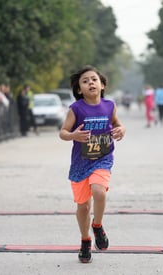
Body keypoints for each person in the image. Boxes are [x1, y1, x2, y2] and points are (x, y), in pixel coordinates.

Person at [59, 65, 125, 263]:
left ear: (102, 84)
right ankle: (85, 240)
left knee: (99, 191)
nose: (90, 83)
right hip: (80, 163)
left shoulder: (109, 106)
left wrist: (121, 130)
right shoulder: (76, 108)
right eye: (85, 81)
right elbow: (63, 132)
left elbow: (117, 124)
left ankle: (97, 226)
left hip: (103, 158)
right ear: (79, 89)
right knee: (83, 207)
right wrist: (73, 135)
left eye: (94, 79)